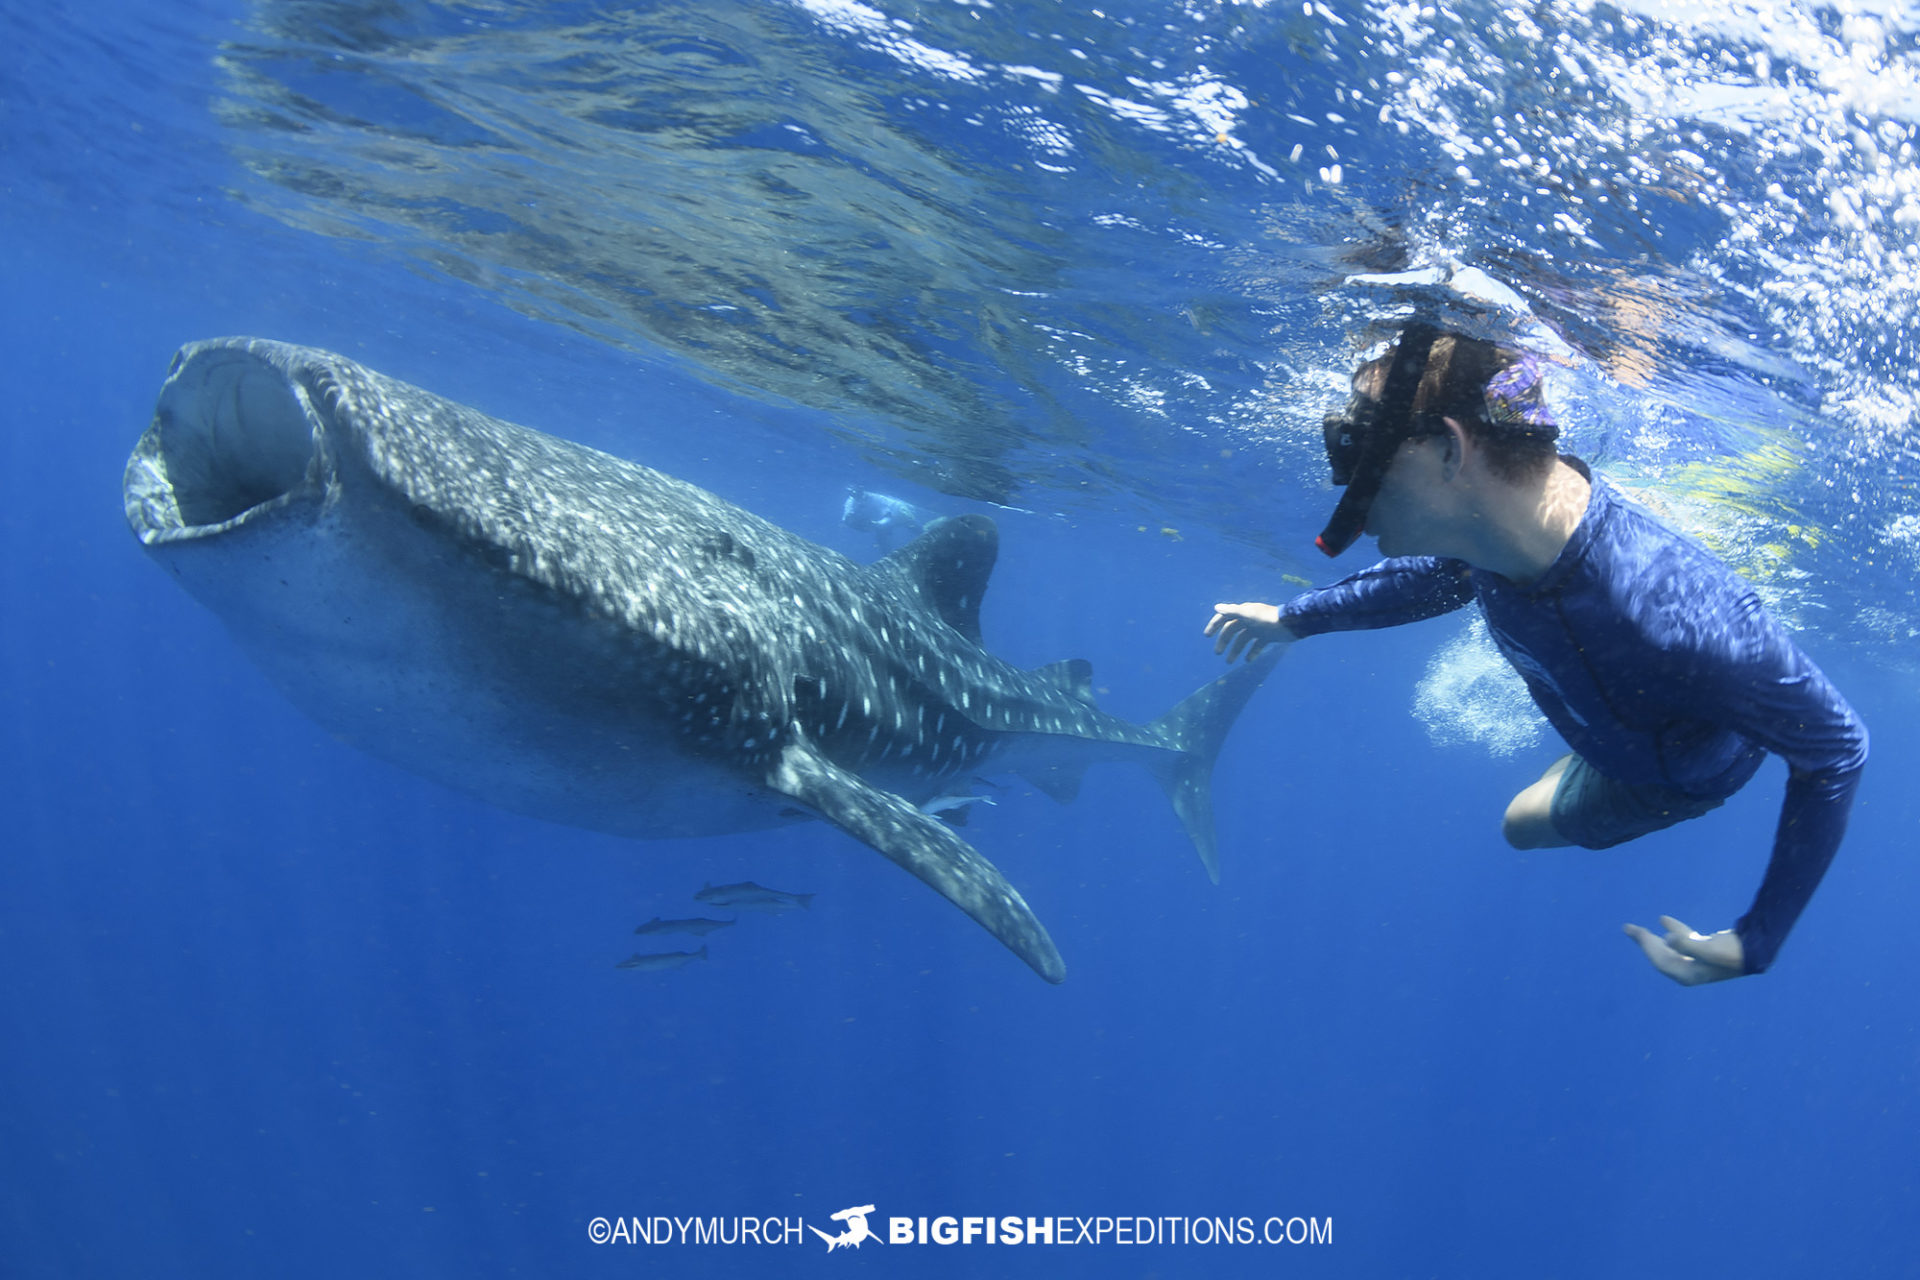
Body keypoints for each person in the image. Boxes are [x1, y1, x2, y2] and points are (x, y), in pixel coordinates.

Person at [1206, 322, 1867, 985]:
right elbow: (1433, 581)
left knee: (1519, 824)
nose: (1351, 504)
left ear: (1450, 451)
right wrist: (1293, 619)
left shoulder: (1672, 615)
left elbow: (1836, 747)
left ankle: (1612, 737)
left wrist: (1759, 938)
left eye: (1364, 474)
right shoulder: (1489, 537)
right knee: (1525, 815)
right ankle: (1605, 730)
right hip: (1619, 717)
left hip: (1677, 776)